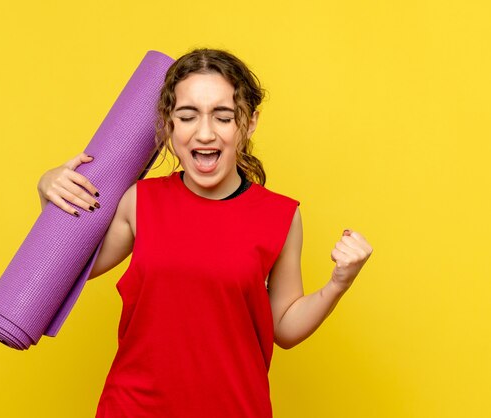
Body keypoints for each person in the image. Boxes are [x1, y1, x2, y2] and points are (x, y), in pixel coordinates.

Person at [37, 48, 373, 418]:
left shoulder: (281, 215)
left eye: (223, 117)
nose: (205, 132)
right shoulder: (139, 202)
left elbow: (285, 328)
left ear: (249, 123)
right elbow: (66, 269)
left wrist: (338, 283)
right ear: (168, 123)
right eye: (187, 115)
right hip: (133, 409)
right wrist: (49, 190)